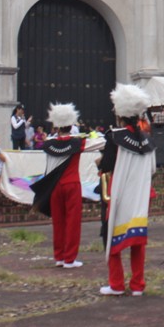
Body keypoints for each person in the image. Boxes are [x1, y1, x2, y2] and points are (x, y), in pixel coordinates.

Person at [98, 84, 156, 297]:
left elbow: (106, 165)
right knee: (137, 240)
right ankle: (138, 284)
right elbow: (151, 169)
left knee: (112, 236)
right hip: (140, 194)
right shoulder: (148, 140)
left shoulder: (115, 137)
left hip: (120, 193)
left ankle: (116, 283)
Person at [31, 103, 104, 268]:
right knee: (72, 222)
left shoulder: (48, 144)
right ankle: (70, 258)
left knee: (58, 221)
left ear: (56, 126)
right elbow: (100, 143)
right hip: (72, 184)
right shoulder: (77, 143)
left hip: (55, 186)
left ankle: (59, 257)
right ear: (71, 126)